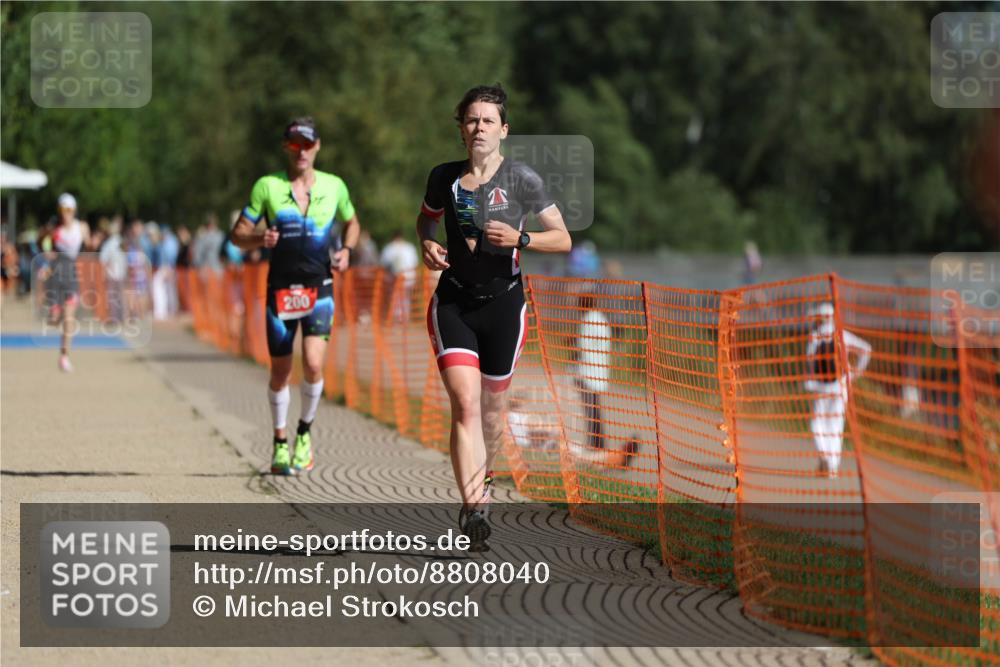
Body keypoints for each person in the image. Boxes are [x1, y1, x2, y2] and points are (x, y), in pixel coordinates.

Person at [416, 84, 571, 549]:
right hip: (454, 303)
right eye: (471, 120)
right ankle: (475, 507)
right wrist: (427, 242)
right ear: (461, 129)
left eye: (488, 120)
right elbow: (426, 219)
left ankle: (484, 482)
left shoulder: (522, 179)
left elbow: (562, 238)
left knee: (492, 413)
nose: (479, 127)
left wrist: (523, 240)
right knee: (465, 403)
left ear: (503, 129)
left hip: (505, 305)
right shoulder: (443, 177)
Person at [232, 116, 360, 476]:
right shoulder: (267, 186)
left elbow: (352, 222)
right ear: (285, 147)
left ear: (317, 146)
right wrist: (259, 238)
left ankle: (303, 433)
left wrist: (347, 250)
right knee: (281, 371)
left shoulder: (334, 186)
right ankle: (279, 441)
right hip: (281, 290)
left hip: (320, 287)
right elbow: (237, 235)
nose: (301, 151)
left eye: (307, 144)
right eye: (294, 144)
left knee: (314, 364)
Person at [804, 302, 871, 479]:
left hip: (820, 386)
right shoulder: (842, 335)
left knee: (817, 423)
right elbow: (866, 349)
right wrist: (855, 373)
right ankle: (832, 468)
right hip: (840, 386)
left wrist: (809, 381)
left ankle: (824, 455)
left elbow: (810, 360)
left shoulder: (815, 336)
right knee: (836, 425)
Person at [40, 193, 89, 372]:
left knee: (69, 318)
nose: (65, 213)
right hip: (55, 274)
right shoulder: (54, 229)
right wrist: (46, 255)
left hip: (71, 275)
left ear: (74, 210)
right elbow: (43, 244)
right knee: (54, 319)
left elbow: (89, 246)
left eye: (68, 209)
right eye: (62, 209)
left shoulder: (81, 227)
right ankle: (55, 313)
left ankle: (64, 356)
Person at [380, 230, 419, 322]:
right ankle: (402, 317)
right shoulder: (409, 247)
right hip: (406, 278)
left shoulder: (389, 248)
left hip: (399, 278)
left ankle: (399, 317)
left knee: (396, 297)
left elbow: (383, 264)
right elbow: (415, 263)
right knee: (403, 298)